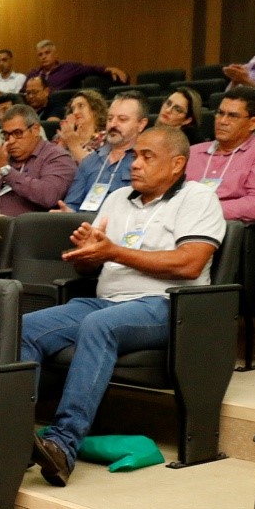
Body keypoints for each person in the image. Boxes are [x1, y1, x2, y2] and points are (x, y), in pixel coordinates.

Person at [24, 126, 225, 487]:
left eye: (149, 157)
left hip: (168, 306)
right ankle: (15, 438)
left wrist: (112, 251)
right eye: (135, 155)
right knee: (26, 327)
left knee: (100, 325)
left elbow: (189, 263)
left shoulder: (198, 199)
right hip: (105, 300)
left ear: (178, 164)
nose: (136, 164)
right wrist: (87, 254)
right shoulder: (117, 198)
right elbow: (93, 265)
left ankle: (63, 444)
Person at [184, 86, 255, 222]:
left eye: (232, 116)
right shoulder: (193, 152)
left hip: (231, 234)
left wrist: (203, 210)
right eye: (220, 113)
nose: (222, 121)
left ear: (253, 122)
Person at [0, 104, 76, 216]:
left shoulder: (56, 156)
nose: (10, 141)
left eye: (17, 133)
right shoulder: (3, 158)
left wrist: (6, 171)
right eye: (6, 134)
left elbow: (49, 196)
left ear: (35, 130)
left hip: (27, 230)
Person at [60, 92, 149, 214]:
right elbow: (72, 204)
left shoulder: (146, 162)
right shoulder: (90, 160)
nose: (113, 124)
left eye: (122, 119)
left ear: (141, 124)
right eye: (110, 118)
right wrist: (65, 212)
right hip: (83, 227)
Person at [26, 39, 126, 92]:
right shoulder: (33, 74)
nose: (43, 57)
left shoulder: (69, 68)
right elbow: (22, 93)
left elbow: (90, 69)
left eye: (47, 53)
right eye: (40, 54)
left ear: (56, 55)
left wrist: (109, 69)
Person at [55, 90, 109, 164]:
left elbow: (96, 169)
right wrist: (63, 143)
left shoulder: (106, 138)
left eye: (81, 106)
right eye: (73, 109)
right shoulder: (65, 137)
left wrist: (74, 145)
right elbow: (52, 164)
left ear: (95, 109)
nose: (75, 112)